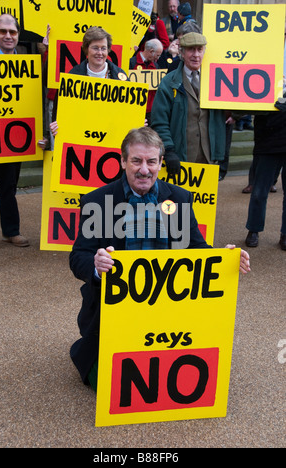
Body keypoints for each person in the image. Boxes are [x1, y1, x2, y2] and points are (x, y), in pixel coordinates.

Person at [69, 127, 251, 390]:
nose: (144, 169)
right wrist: (96, 267)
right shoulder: (98, 201)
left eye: (151, 161)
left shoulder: (178, 199)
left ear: (160, 163)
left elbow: (195, 247)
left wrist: (224, 256)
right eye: (137, 161)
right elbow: (78, 257)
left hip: (166, 308)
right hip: (112, 309)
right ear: (123, 161)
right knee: (104, 384)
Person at [151, 32, 226, 176]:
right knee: (180, 198)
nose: (196, 55)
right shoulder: (169, 83)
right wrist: (169, 150)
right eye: (191, 49)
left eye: (200, 49)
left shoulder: (217, 81)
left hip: (208, 157)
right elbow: (160, 121)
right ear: (182, 53)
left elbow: (234, 106)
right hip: (180, 157)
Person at [0, 14, 31, 249]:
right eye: (3, 31)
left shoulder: (28, 60)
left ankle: (11, 231)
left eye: (12, 32)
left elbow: (32, 98)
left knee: (9, 186)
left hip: (15, 137)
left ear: (18, 34)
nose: (8, 36)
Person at [50, 27, 128, 137]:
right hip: (80, 138)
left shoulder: (120, 77)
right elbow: (60, 112)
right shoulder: (73, 76)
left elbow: (127, 112)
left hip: (112, 138)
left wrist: (136, 120)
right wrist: (57, 127)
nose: (100, 53)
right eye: (95, 48)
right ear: (87, 49)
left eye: (103, 48)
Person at [245, 97, 286, 250]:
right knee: (259, 192)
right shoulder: (265, 77)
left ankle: (285, 234)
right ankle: (253, 229)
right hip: (267, 143)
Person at [129, 39, 163, 126]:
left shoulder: (156, 66)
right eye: (157, 55)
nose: (158, 58)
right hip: (134, 109)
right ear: (151, 51)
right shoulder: (131, 63)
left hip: (151, 111)